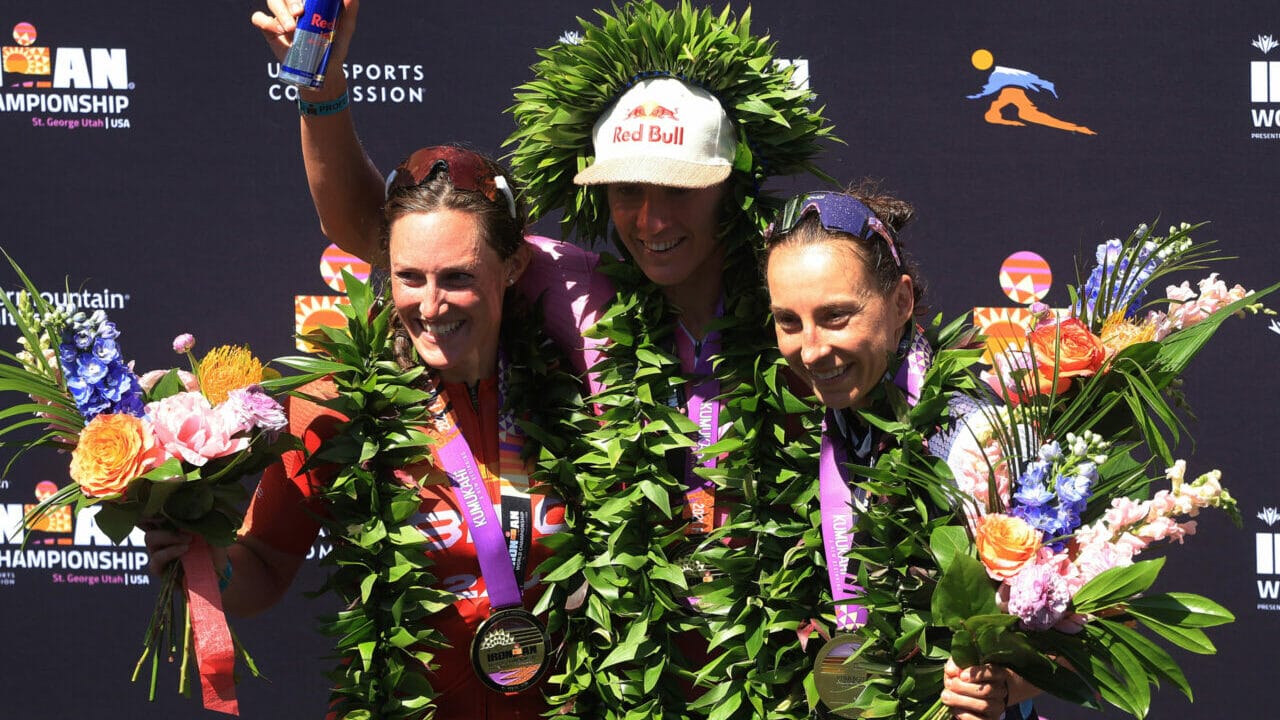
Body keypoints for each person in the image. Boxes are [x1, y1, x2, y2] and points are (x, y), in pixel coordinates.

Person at [253, 1, 838, 717]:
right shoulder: (574, 289)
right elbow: (389, 234)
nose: (652, 219)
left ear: (728, 184)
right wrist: (320, 83)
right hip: (633, 684)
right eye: (628, 189)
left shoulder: (794, 302)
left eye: (679, 189)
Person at [147, 146, 583, 719]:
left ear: (513, 267)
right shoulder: (335, 407)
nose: (430, 305)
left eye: (458, 277)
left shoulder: (576, 392)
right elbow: (264, 569)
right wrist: (202, 556)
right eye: (409, 277)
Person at [763, 186, 1040, 720]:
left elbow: (1100, 616)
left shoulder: (976, 438)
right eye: (789, 321)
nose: (812, 349)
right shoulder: (826, 416)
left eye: (837, 315)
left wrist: (1001, 686)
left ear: (901, 303)